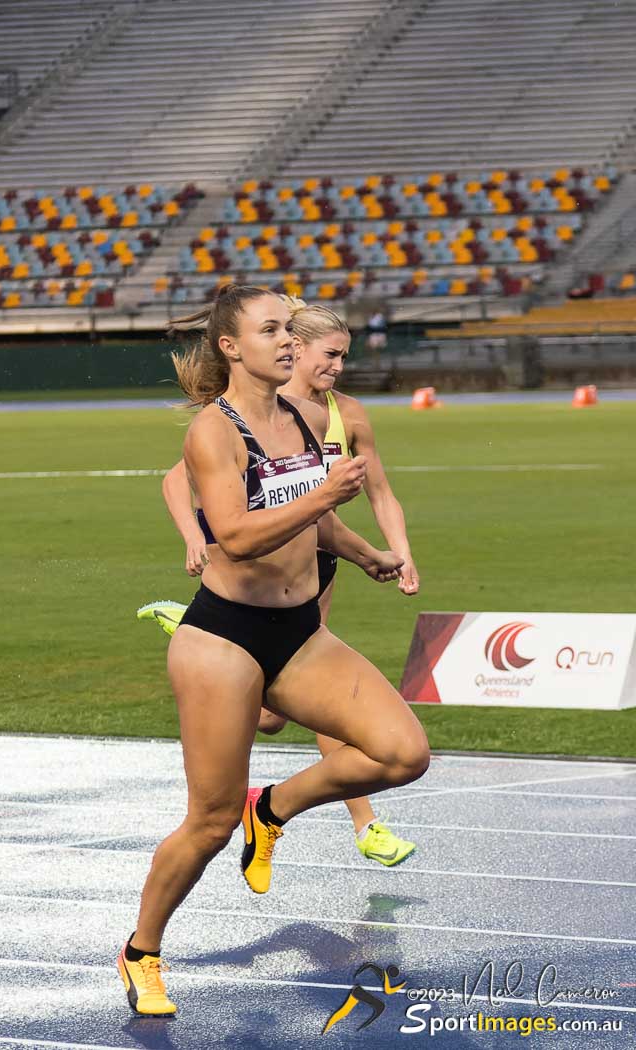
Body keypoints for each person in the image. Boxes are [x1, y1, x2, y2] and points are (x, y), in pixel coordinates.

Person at [118, 286, 430, 1017]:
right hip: (223, 636)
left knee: (402, 754)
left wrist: (363, 554)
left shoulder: (304, 415)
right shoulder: (213, 432)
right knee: (208, 822)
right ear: (231, 347)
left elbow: (313, 528)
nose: (288, 340)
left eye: (291, 329)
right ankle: (142, 952)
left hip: (298, 633)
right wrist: (326, 496)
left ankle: (276, 807)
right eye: (272, 330)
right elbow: (238, 536)